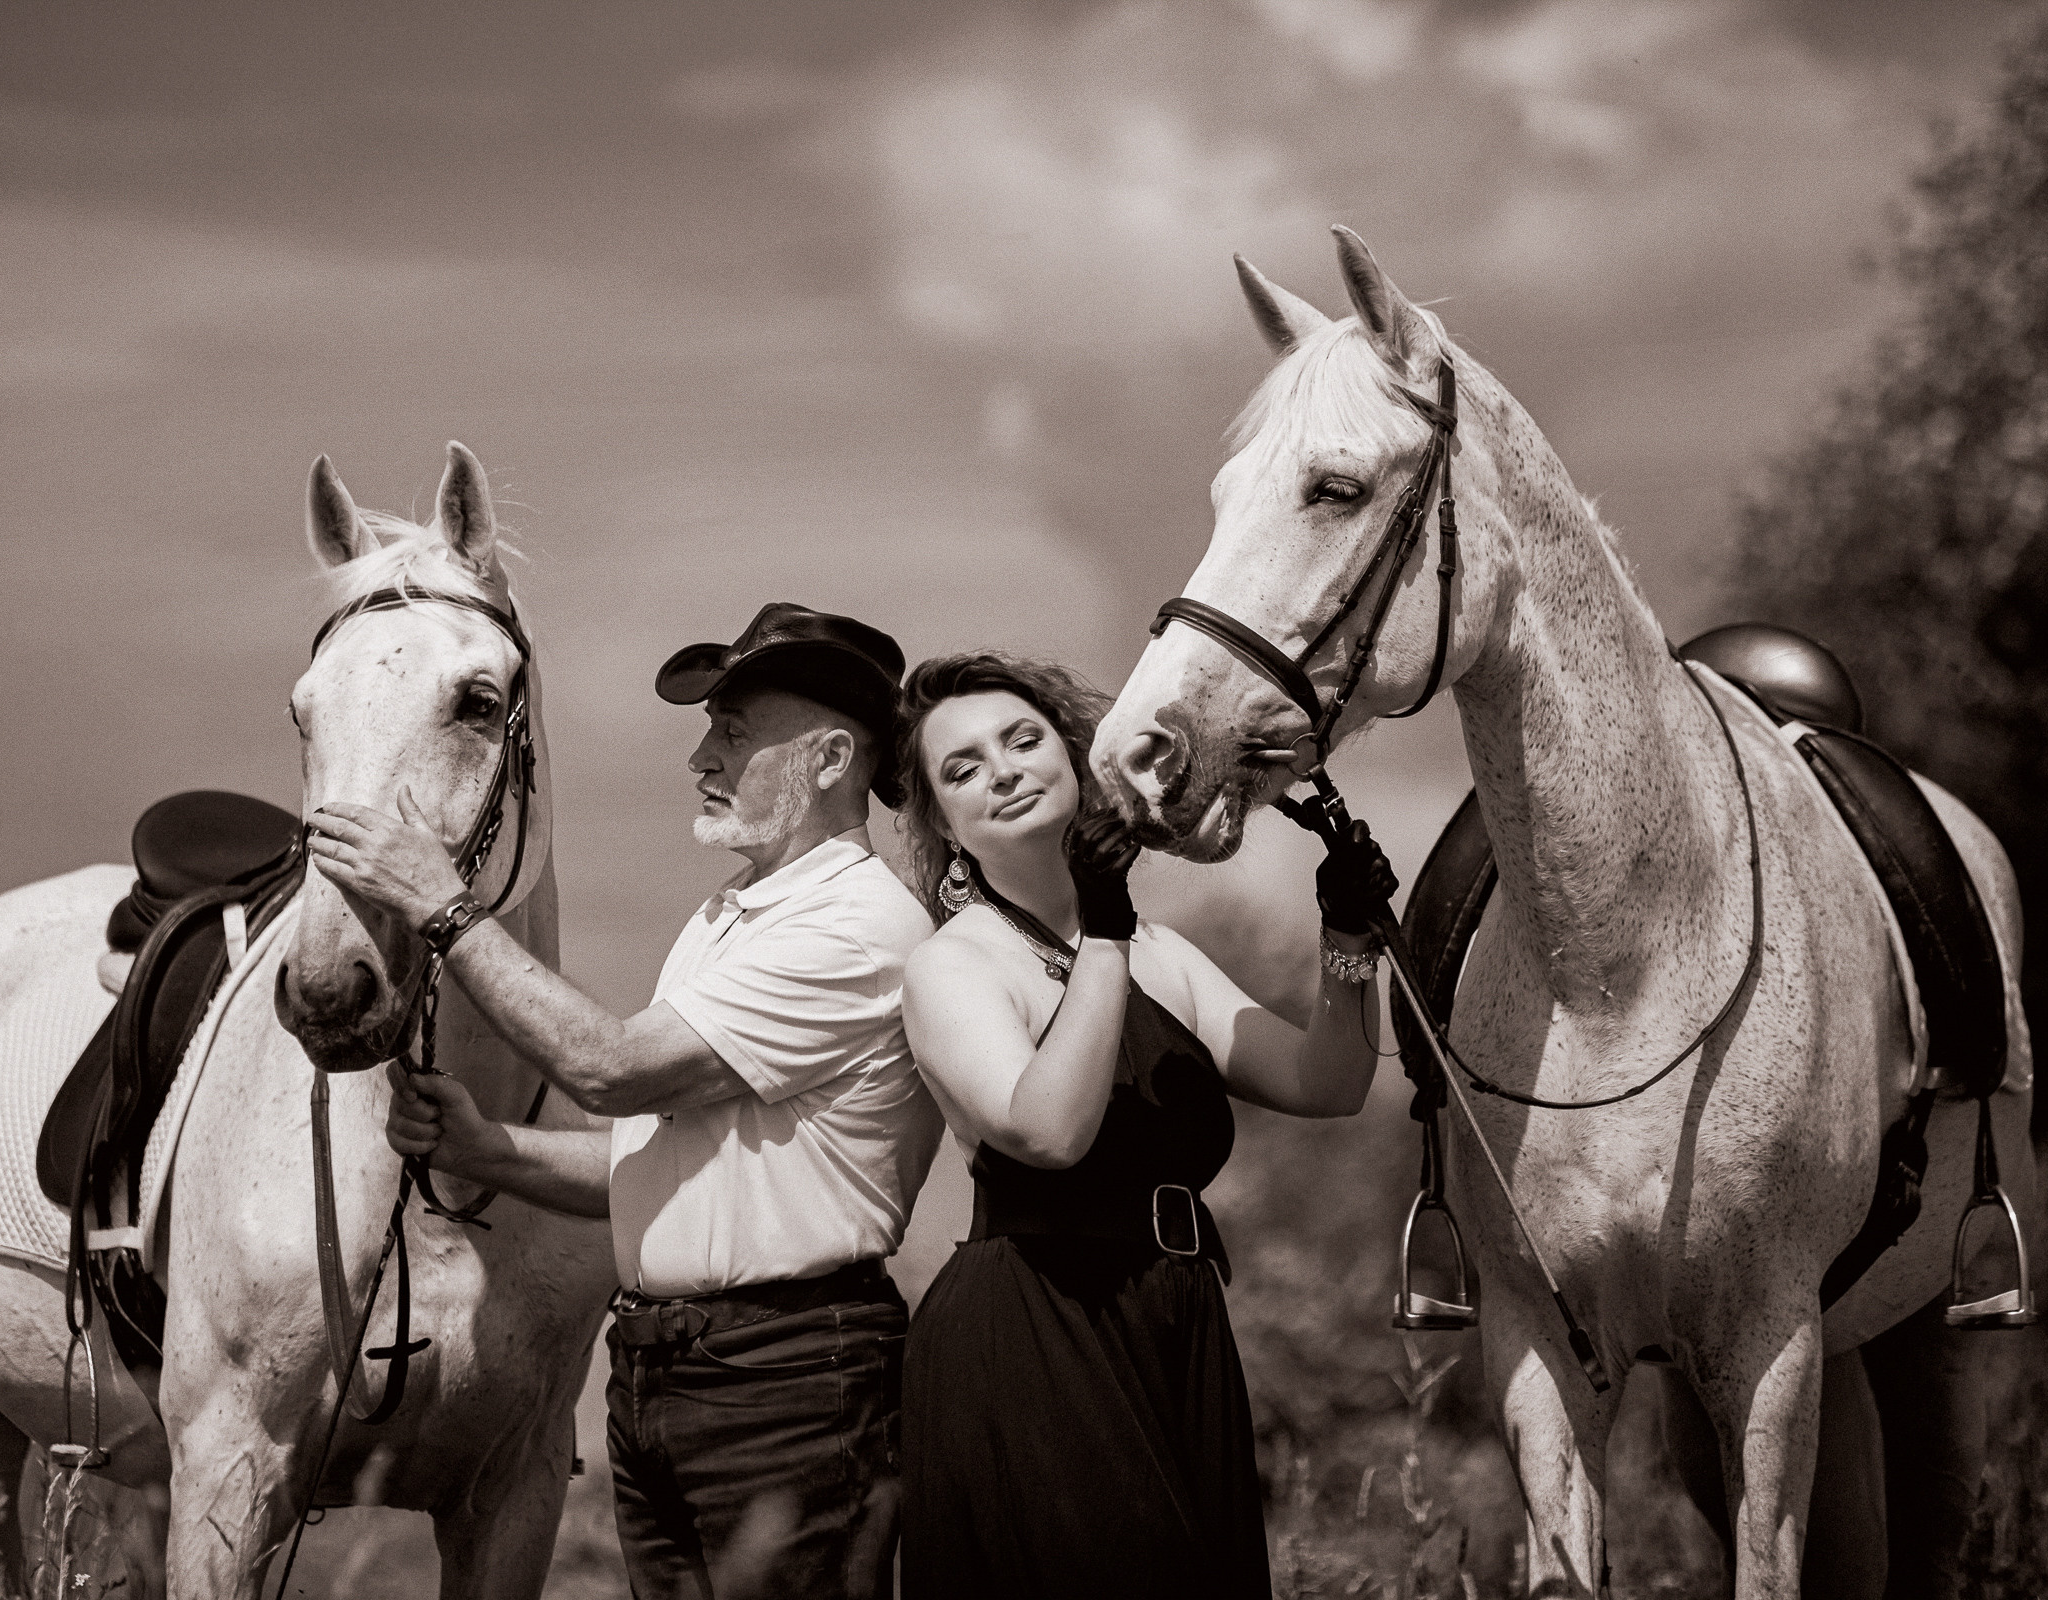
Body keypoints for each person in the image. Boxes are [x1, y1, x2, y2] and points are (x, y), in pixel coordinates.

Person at [306, 601, 941, 1600]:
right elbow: (662, 1167)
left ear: (829, 758)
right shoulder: (738, 916)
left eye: (733, 731)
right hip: (680, 1376)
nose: (702, 758)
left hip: (784, 1375)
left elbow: (610, 1068)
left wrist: (442, 905)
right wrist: (491, 1151)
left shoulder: (853, 926)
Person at [887, 651, 1398, 1600]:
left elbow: (1328, 1082)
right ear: (946, 828)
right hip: (1036, 1324)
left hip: (1179, 1317)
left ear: (1077, 760)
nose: (1000, 770)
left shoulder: (1165, 954)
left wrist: (1348, 941)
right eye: (961, 770)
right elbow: (1048, 1132)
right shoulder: (954, 966)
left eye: (1022, 739)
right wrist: (1107, 937)